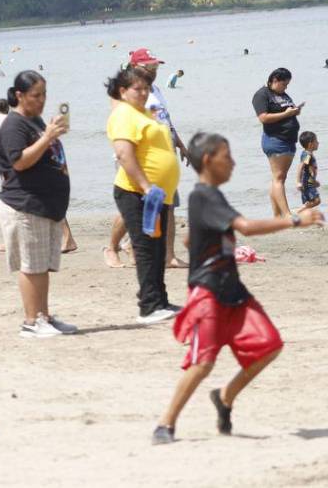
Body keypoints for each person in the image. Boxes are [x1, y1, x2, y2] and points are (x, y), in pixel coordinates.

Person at [152, 132, 323, 445]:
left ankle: (225, 396)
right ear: (208, 160)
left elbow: (193, 238)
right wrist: (297, 221)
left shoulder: (211, 197)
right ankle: (165, 423)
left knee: (270, 345)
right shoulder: (204, 195)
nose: (232, 162)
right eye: (226, 156)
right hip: (208, 293)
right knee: (203, 363)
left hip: (234, 291)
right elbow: (245, 227)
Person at [0, 71, 76, 338]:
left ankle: (44, 316)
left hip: (43, 204)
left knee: (43, 265)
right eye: (35, 95)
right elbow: (19, 161)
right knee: (31, 266)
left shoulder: (33, 120)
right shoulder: (13, 125)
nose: (41, 100)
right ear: (19, 95)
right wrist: (47, 138)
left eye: (44, 95)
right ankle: (31, 321)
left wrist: (49, 133)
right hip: (24, 204)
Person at [106, 66, 181, 325]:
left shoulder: (142, 112)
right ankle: (149, 306)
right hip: (135, 191)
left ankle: (160, 300)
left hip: (157, 193)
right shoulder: (124, 115)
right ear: (123, 91)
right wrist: (147, 187)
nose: (143, 92)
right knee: (145, 247)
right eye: (136, 88)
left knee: (157, 246)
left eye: (146, 88)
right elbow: (125, 155)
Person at [252, 67, 303, 217]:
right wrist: (286, 114)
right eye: (284, 84)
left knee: (279, 178)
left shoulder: (282, 94)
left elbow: (286, 111)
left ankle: (277, 215)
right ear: (274, 80)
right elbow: (263, 118)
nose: (285, 87)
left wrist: (294, 112)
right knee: (279, 178)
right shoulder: (261, 95)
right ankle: (286, 214)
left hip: (288, 140)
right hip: (275, 139)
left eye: (287, 85)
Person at [296, 131, 320, 214]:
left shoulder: (307, 154)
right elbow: (301, 167)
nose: (318, 143)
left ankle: (302, 217)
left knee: (308, 201)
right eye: (316, 141)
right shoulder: (308, 155)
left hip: (309, 180)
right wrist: (298, 182)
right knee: (316, 200)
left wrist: (314, 181)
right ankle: (298, 211)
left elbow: (309, 169)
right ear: (310, 144)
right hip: (307, 181)